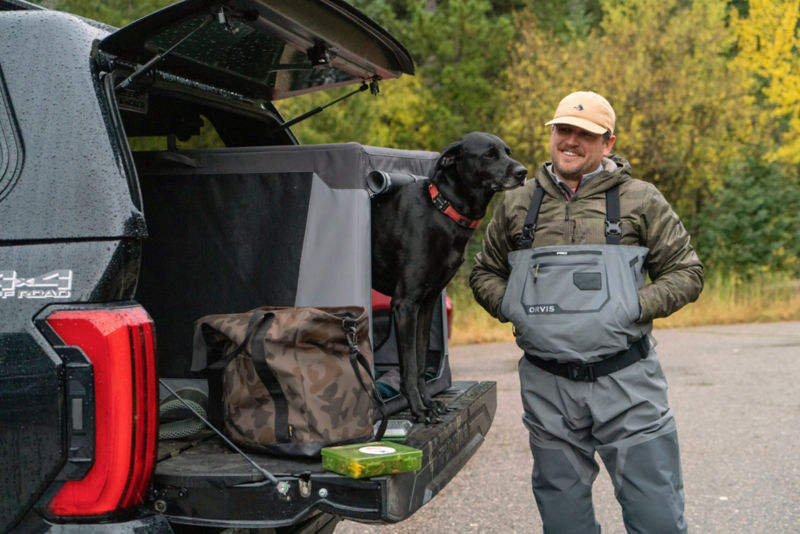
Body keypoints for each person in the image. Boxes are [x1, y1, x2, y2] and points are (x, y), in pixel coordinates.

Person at [470, 91, 703, 533]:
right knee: (564, 521)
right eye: (564, 130)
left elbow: (686, 272)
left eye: (585, 134)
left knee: (657, 517)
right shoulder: (516, 203)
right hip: (547, 386)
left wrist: (632, 306)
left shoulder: (641, 199)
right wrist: (514, 307)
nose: (571, 142)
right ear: (552, 133)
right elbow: (484, 272)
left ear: (608, 143)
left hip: (627, 382)